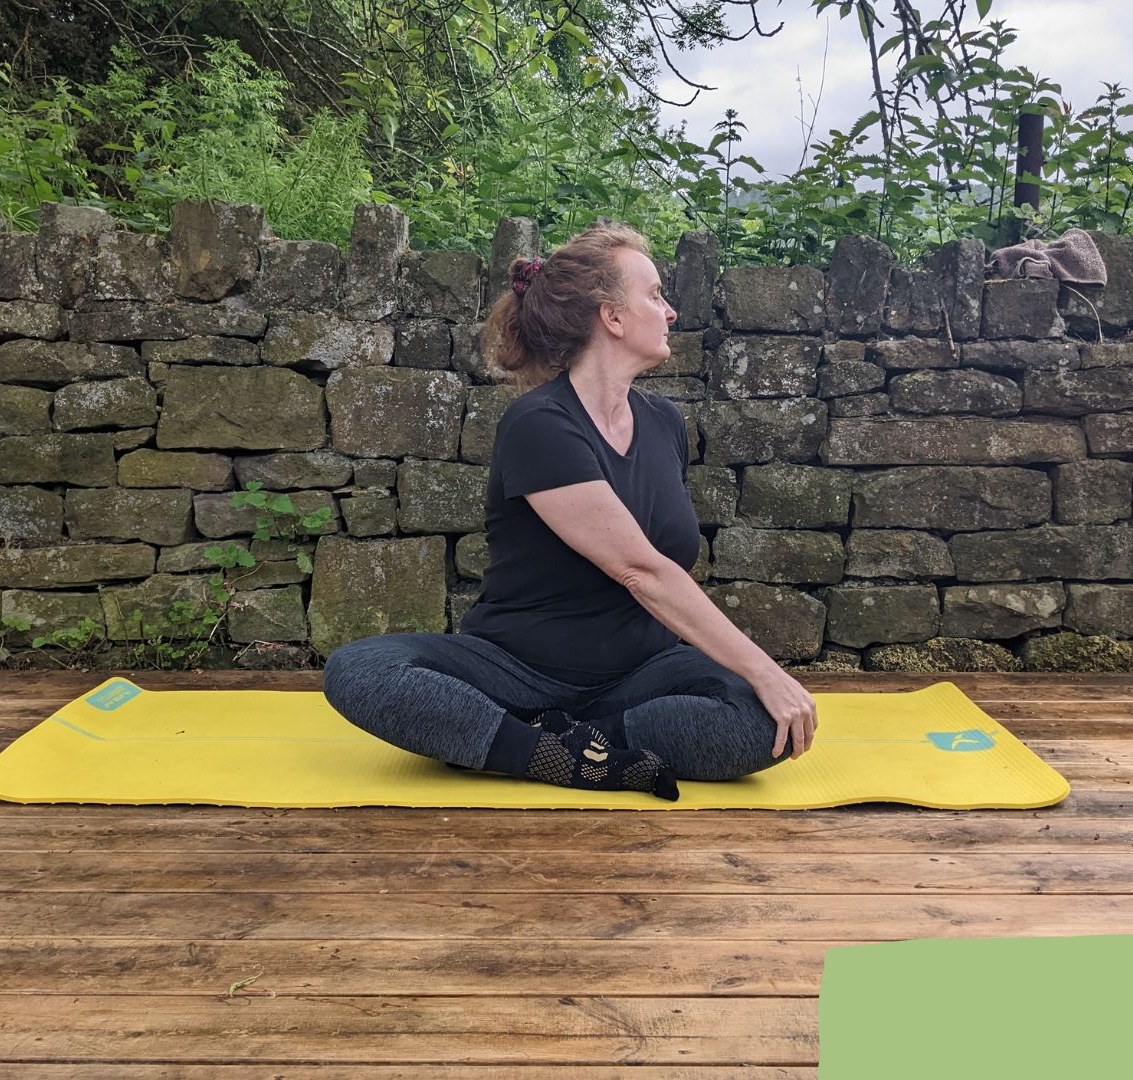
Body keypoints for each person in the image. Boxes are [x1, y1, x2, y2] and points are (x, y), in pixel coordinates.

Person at [322, 220, 820, 801]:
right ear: (611, 317)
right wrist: (767, 669)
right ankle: (548, 749)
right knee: (360, 670)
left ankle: (550, 746)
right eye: (655, 295)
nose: (671, 312)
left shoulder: (663, 424)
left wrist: (763, 686)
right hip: (515, 673)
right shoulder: (541, 425)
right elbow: (642, 569)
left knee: (760, 723)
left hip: (641, 676)